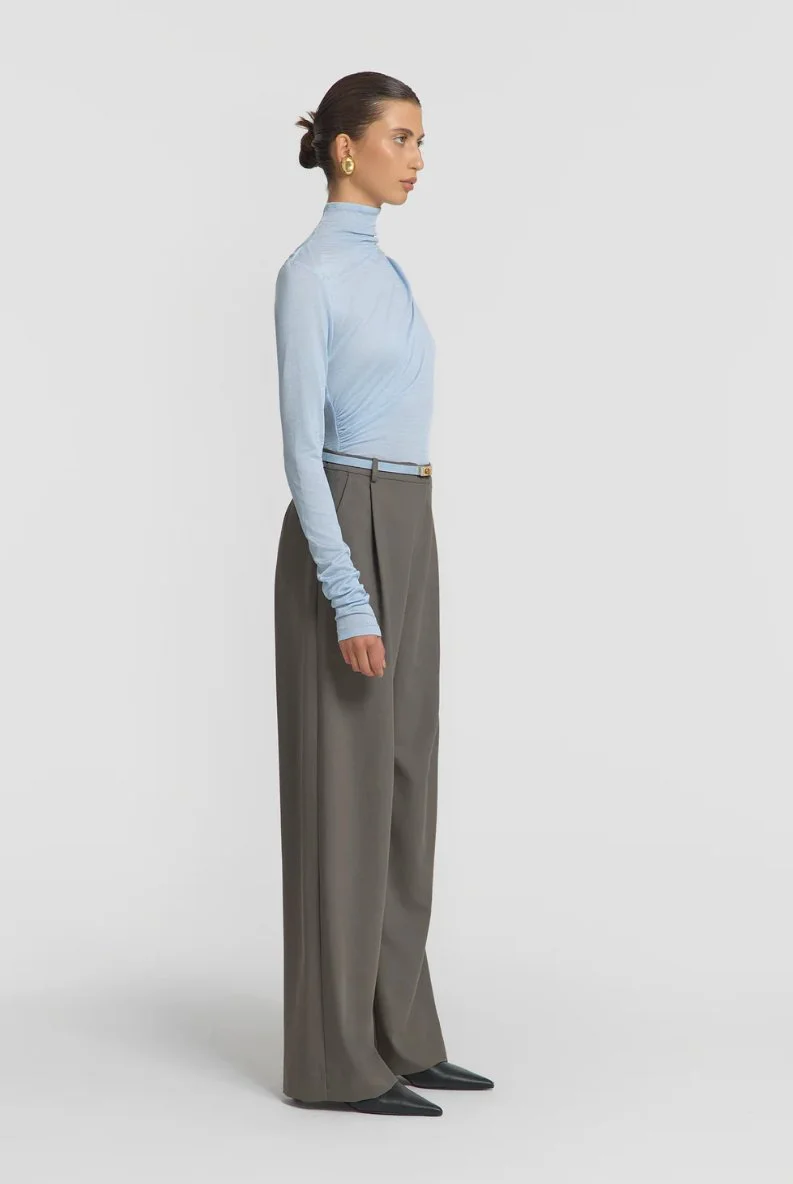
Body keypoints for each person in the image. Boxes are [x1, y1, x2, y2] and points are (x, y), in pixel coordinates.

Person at [272, 71, 494, 1117]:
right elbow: (299, 449)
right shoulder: (310, 273)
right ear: (344, 149)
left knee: (406, 778)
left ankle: (400, 1032)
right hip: (347, 523)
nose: (416, 157)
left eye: (419, 139)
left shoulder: (386, 269)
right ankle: (334, 1060)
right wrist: (347, 594)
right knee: (346, 794)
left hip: (407, 517)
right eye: (400, 138)